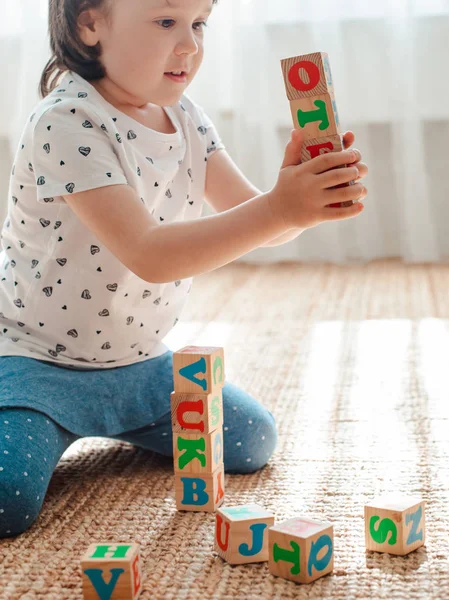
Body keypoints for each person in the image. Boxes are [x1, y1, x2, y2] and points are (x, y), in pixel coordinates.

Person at [0, 0, 368, 538]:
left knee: (252, 439)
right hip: (37, 363)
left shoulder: (187, 117)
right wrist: (278, 209)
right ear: (90, 22)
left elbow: (259, 220)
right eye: (166, 21)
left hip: (140, 363)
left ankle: (112, 418)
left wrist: (302, 200)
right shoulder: (66, 121)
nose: (190, 45)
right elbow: (150, 253)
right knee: (8, 502)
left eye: (199, 24)